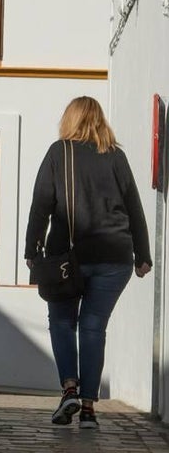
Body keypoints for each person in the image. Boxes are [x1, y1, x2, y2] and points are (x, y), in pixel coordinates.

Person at [24, 96, 151, 430]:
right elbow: (134, 207)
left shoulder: (59, 153)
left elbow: (41, 205)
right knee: (94, 327)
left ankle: (69, 388)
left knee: (63, 323)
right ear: (99, 121)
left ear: (70, 119)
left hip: (68, 259)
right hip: (115, 259)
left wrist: (31, 250)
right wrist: (143, 255)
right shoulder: (116, 156)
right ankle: (90, 410)